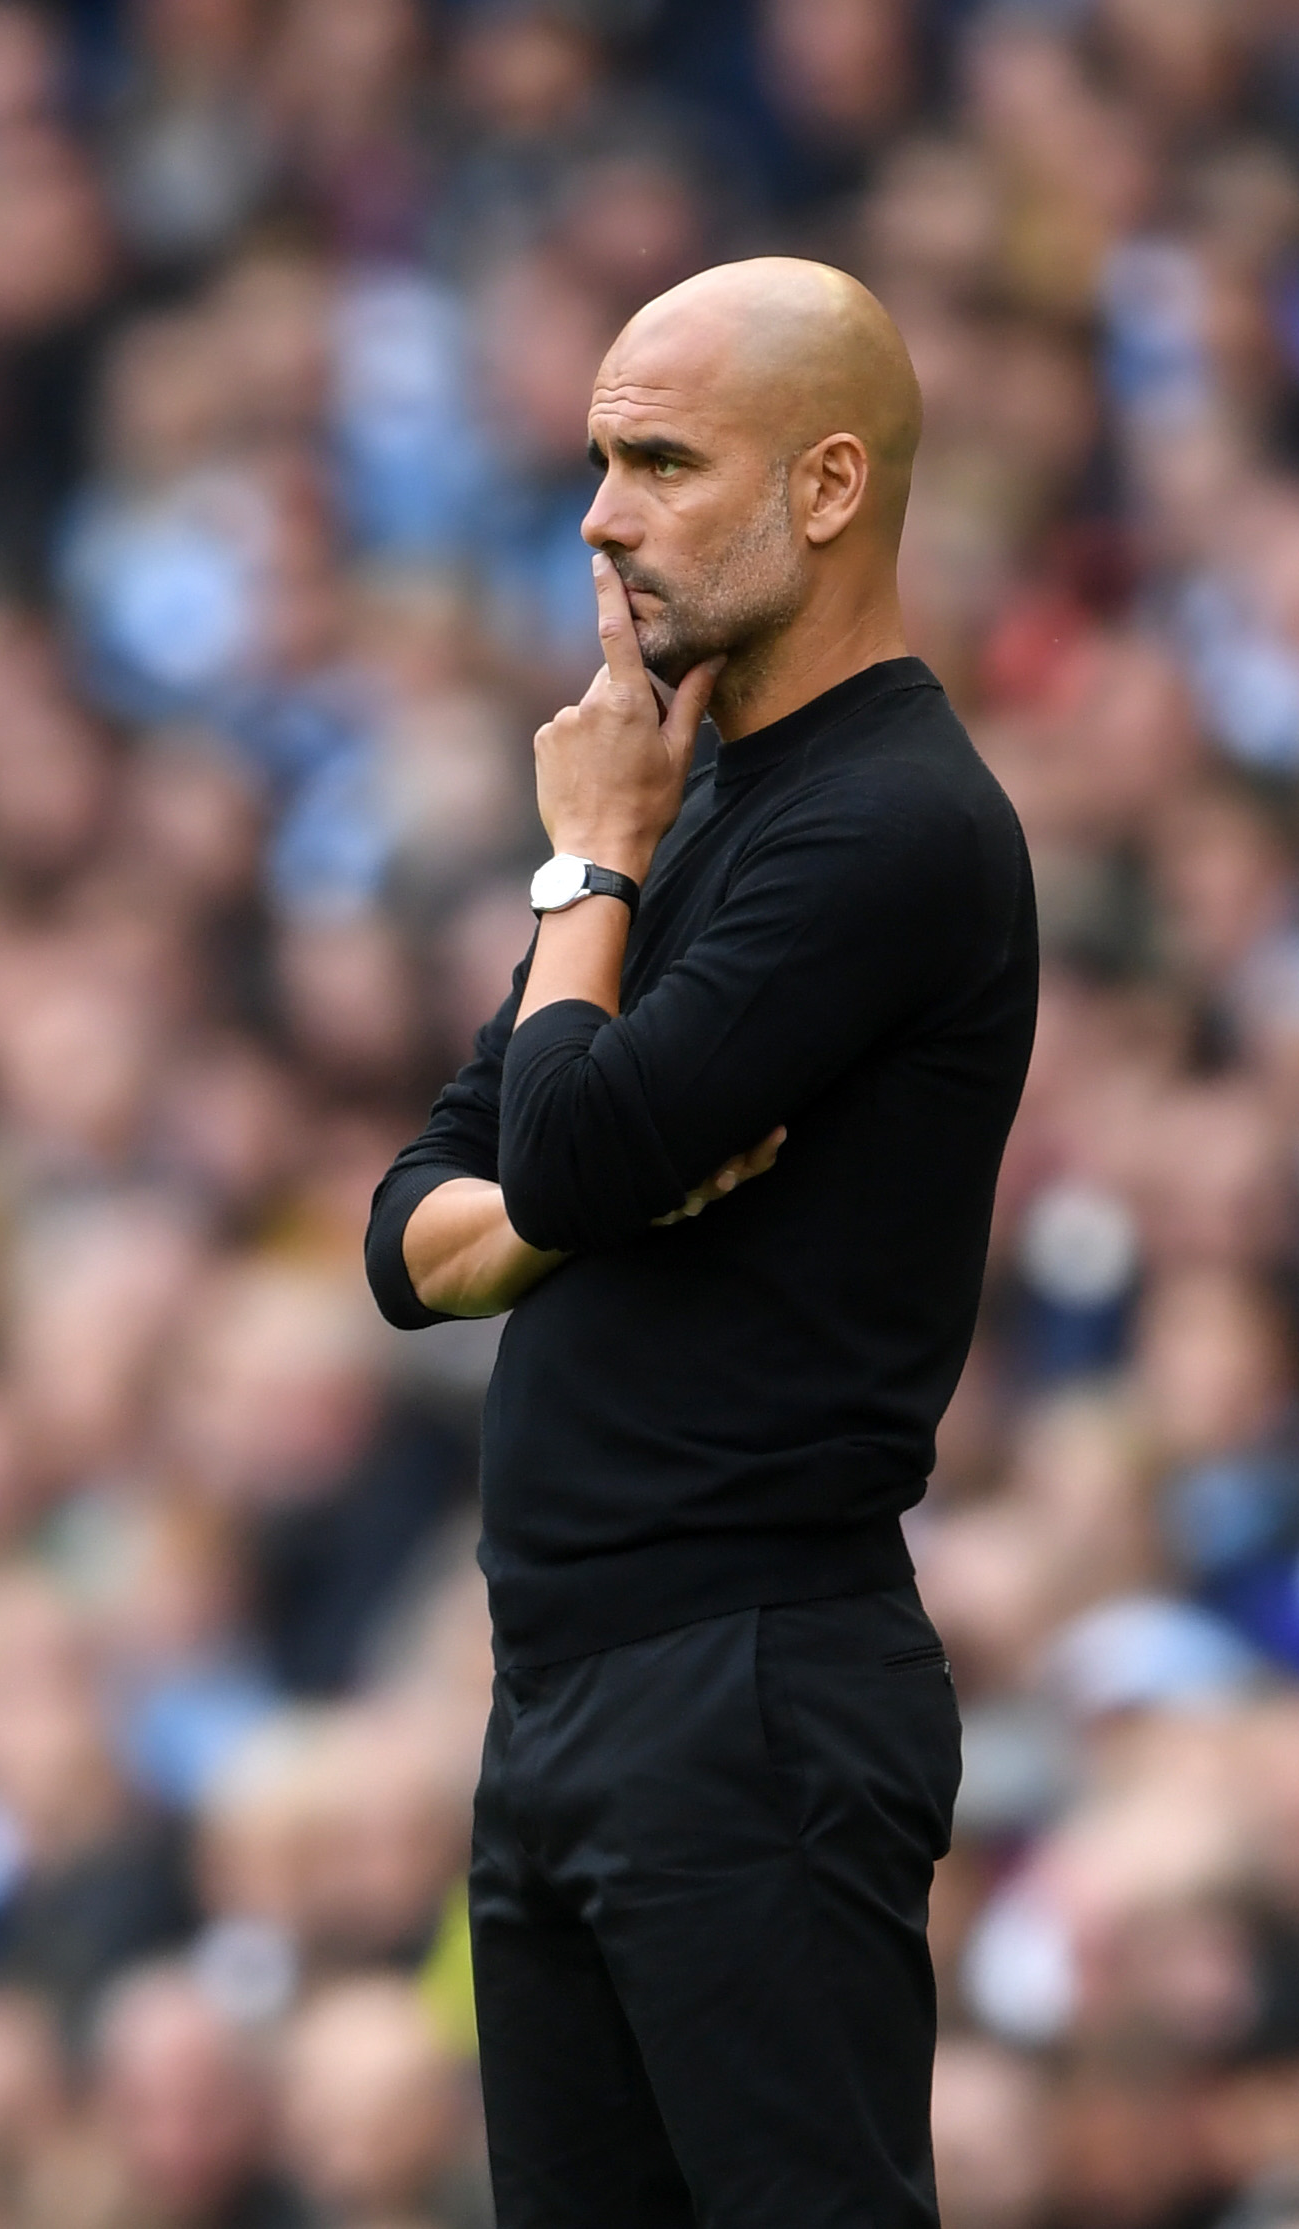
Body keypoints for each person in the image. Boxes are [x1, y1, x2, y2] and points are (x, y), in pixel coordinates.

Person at [361, 258, 1037, 2226]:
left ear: (828, 489)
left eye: (660, 460)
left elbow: (548, 1151)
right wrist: (573, 1188)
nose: (598, 515)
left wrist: (587, 862)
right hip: (566, 1682)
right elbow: (418, 1222)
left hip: (748, 1678)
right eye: (595, 459)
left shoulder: (887, 822)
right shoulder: (692, 792)